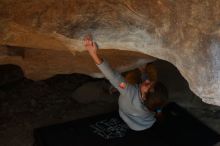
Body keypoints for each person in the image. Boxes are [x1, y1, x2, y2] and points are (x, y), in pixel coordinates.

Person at [83, 35, 168, 131]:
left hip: (128, 110)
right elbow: (148, 87)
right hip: (144, 122)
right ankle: (121, 86)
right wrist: (144, 72)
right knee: (150, 71)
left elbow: (113, 76)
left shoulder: (129, 91)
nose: (147, 81)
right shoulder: (153, 104)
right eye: (152, 82)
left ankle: (114, 88)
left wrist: (93, 53)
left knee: (129, 78)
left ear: (144, 97)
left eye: (148, 85)